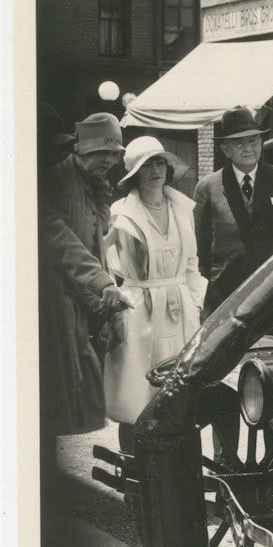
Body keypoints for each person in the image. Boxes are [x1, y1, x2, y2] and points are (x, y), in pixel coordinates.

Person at [102, 137, 205, 450]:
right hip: (139, 310)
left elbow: (191, 263)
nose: (155, 169)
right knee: (135, 394)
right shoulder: (121, 213)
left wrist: (194, 303)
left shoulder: (182, 208)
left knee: (177, 393)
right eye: (146, 164)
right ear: (134, 172)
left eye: (159, 162)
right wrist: (116, 304)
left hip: (180, 310)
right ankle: (132, 473)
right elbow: (105, 263)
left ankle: (171, 474)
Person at [38, 112, 135, 436]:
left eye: (113, 154)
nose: (108, 160)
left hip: (80, 304)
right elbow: (65, 244)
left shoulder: (93, 184)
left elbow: (94, 247)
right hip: (50, 303)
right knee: (52, 399)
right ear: (80, 150)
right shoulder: (53, 181)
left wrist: (105, 303)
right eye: (100, 153)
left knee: (77, 398)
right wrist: (103, 284)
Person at [193, 106, 273, 319]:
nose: (249, 148)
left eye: (254, 140)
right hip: (226, 297)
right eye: (240, 142)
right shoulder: (208, 187)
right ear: (225, 149)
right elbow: (199, 248)